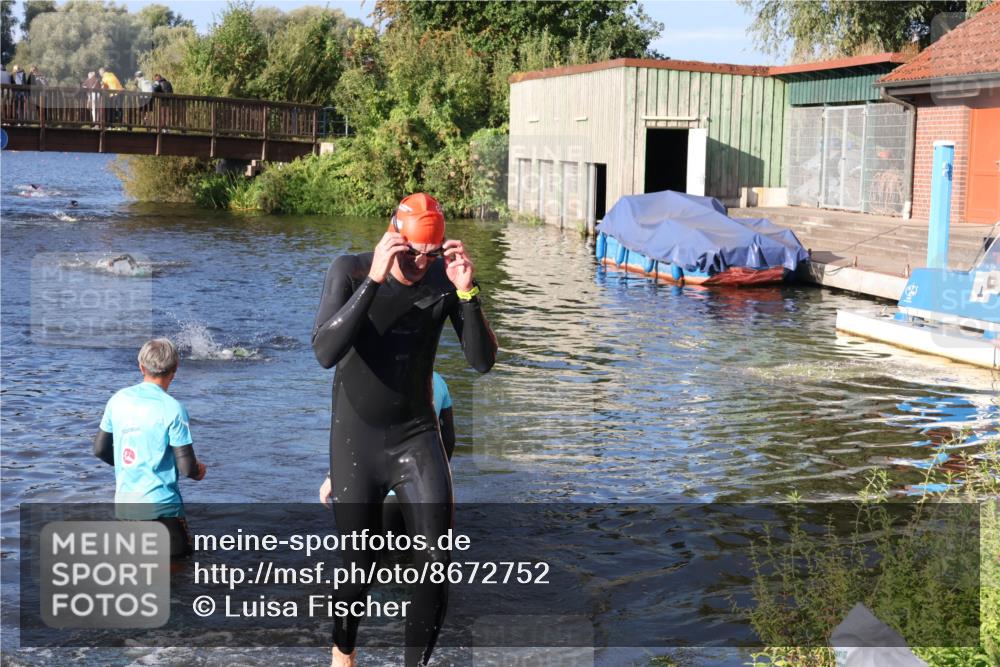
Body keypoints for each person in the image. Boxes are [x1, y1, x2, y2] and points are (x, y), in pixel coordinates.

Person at [312, 193, 496, 667]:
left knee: (437, 563)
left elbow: (481, 361)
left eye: (429, 254)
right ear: (394, 238)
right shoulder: (350, 271)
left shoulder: (443, 277)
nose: (420, 263)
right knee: (358, 567)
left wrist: (467, 292)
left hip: (416, 434)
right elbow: (324, 351)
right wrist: (373, 280)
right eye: (412, 251)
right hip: (357, 439)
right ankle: (343, 650)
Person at [93, 338, 207, 561]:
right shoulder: (173, 409)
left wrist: (132, 465)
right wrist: (198, 471)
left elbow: (100, 449)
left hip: (126, 509)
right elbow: (186, 467)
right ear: (175, 368)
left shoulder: (118, 400)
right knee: (179, 576)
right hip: (163, 510)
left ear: (141, 366)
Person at [319, 370, 456, 535]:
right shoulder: (438, 381)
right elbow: (448, 438)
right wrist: (440, 481)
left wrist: (331, 476)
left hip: (381, 494)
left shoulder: (376, 382)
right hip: (423, 489)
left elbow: (358, 436)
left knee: (376, 555)